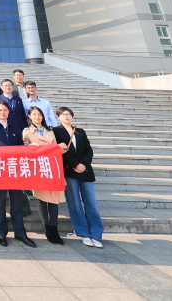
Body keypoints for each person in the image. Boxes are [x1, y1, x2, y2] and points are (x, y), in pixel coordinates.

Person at [0, 102, 36, 248]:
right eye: (0, 110)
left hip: (14, 169)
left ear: (9, 112)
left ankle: (20, 232)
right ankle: (1, 232)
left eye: (5, 110)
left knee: (17, 202)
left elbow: (20, 147)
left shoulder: (15, 126)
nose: (3, 112)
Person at [52, 106, 104, 248]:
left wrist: (84, 164)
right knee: (75, 203)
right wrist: (76, 164)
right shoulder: (55, 131)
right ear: (58, 117)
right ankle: (83, 232)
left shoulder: (80, 131)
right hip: (70, 171)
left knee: (91, 203)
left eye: (69, 114)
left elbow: (89, 150)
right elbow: (61, 152)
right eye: (63, 114)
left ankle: (96, 234)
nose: (66, 116)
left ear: (73, 116)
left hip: (85, 172)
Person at [23, 106, 65, 245]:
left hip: (52, 167)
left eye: (39, 114)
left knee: (54, 199)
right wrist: (30, 147)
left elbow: (55, 148)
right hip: (38, 168)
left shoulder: (50, 131)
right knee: (42, 199)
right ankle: (47, 227)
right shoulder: (27, 131)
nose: (37, 117)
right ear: (29, 116)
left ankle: (54, 228)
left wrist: (62, 148)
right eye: (34, 114)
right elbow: (23, 150)